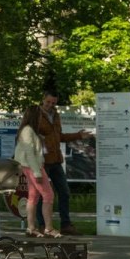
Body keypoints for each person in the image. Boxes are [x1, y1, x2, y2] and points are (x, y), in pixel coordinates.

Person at [36, 91, 91, 233]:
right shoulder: (35, 115)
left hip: (55, 160)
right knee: (43, 194)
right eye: (48, 102)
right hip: (41, 160)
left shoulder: (55, 116)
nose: (50, 105)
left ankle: (65, 224)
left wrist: (79, 135)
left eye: (53, 103)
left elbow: (59, 136)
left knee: (64, 192)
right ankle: (42, 225)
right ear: (43, 100)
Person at [13, 106, 57, 236]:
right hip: (33, 167)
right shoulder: (28, 131)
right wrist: (37, 172)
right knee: (48, 195)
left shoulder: (29, 130)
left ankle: (31, 228)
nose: (41, 119)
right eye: (40, 116)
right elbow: (30, 153)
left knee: (33, 197)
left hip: (29, 166)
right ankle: (49, 228)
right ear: (35, 116)